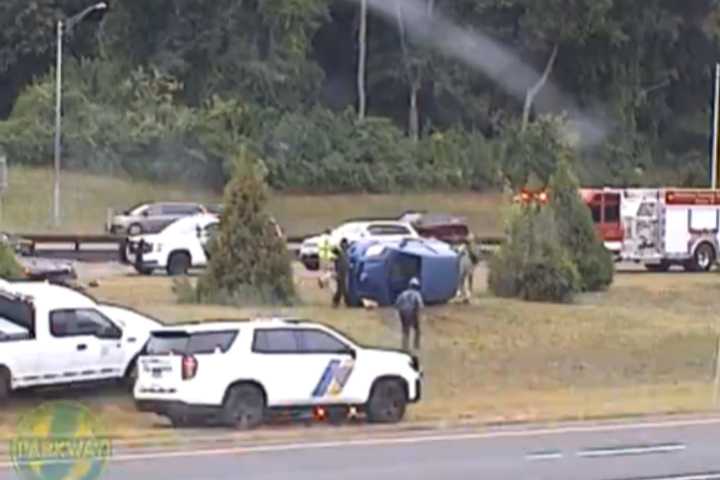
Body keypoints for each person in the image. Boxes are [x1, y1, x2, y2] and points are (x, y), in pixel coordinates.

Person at [394, 277, 424, 351]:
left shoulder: (403, 293)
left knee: (405, 330)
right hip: (411, 312)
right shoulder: (417, 294)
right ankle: (416, 346)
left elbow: (397, 304)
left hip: (402, 313)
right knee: (417, 330)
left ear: (409, 285)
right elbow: (420, 306)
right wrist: (418, 317)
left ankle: (404, 347)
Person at [332, 238, 351, 308]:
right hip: (340, 272)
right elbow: (333, 250)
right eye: (344, 244)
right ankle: (347, 302)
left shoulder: (347, 252)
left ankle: (337, 302)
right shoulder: (340, 252)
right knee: (343, 288)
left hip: (344, 272)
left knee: (340, 288)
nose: (345, 245)